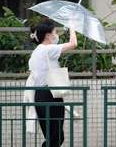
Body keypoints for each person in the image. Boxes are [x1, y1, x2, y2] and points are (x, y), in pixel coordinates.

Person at [28, 19, 77, 147]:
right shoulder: (47, 49)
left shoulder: (38, 51)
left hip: (41, 96)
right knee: (55, 137)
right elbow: (73, 44)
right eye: (55, 32)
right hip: (49, 95)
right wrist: (72, 27)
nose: (57, 34)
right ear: (48, 35)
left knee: (54, 137)